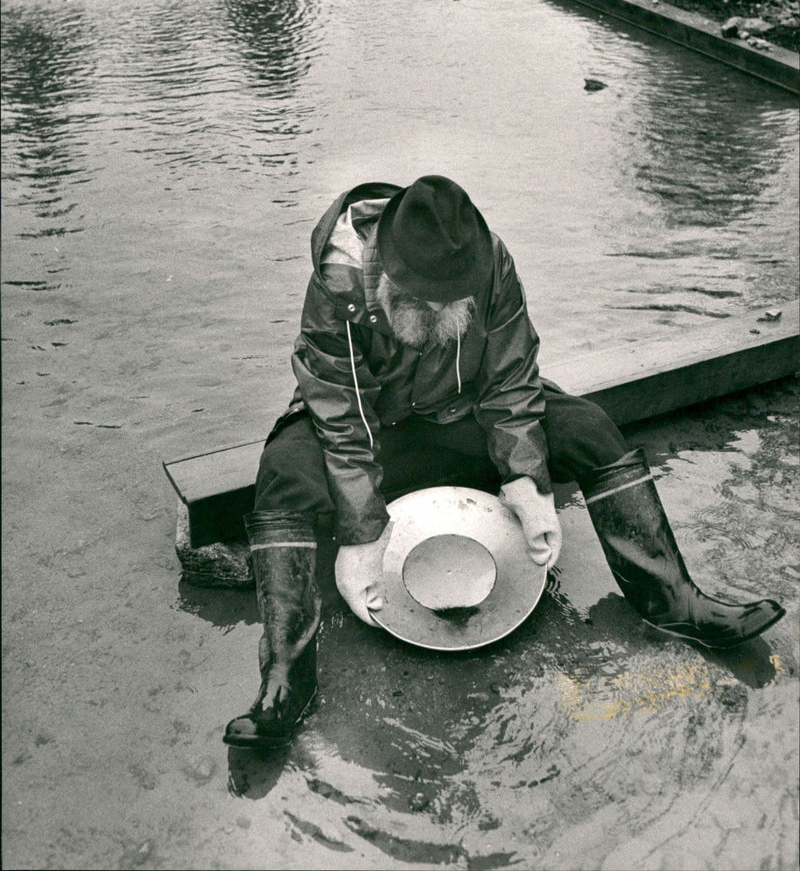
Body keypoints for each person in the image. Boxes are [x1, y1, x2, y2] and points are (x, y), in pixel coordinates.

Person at [224, 176, 785, 750]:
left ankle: (673, 600)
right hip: (375, 437)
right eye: (426, 299)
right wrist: (361, 530)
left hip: (461, 421)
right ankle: (286, 678)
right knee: (284, 471)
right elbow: (341, 416)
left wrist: (524, 478)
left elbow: (513, 379)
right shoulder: (337, 280)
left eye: (454, 297)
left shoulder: (489, 258)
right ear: (388, 273)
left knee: (588, 427)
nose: (443, 310)